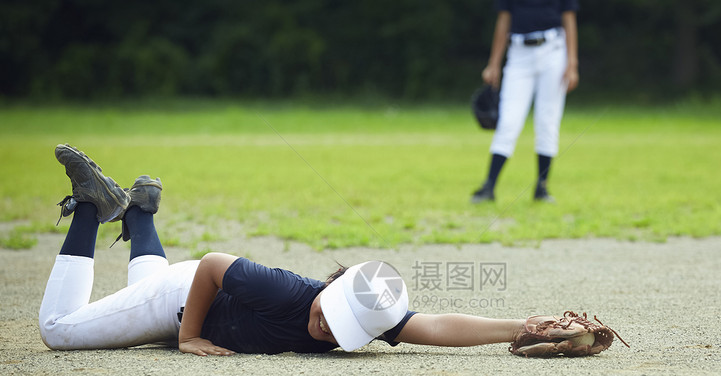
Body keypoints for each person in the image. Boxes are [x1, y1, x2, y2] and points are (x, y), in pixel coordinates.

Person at [40, 145, 532, 356]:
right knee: (57, 331)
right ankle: (89, 205)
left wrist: (522, 326)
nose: (326, 328)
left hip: (177, 291)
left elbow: (437, 324)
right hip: (179, 301)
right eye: (330, 313)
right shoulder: (286, 293)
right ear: (331, 285)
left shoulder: (371, 310)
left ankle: (141, 214)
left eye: (343, 330)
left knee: (142, 290)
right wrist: (188, 336)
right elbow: (212, 265)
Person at [470, 0, 579, 204]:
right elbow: (504, 20)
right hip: (519, 53)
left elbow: (569, 18)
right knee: (508, 120)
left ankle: (542, 187)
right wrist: (494, 64)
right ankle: (489, 187)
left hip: (553, 51)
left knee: (548, 120)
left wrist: (572, 63)